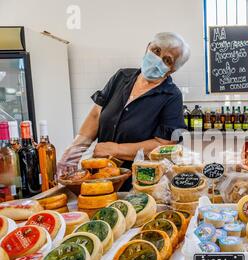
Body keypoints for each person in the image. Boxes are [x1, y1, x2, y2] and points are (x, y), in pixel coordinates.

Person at [57, 32, 190, 190]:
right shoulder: (121, 77)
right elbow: (95, 115)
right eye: (156, 50)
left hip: (139, 183)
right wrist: (74, 151)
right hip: (99, 176)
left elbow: (164, 144)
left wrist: (116, 149)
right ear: (148, 47)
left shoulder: (171, 96)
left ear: (172, 69)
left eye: (167, 60)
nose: (158, 58)